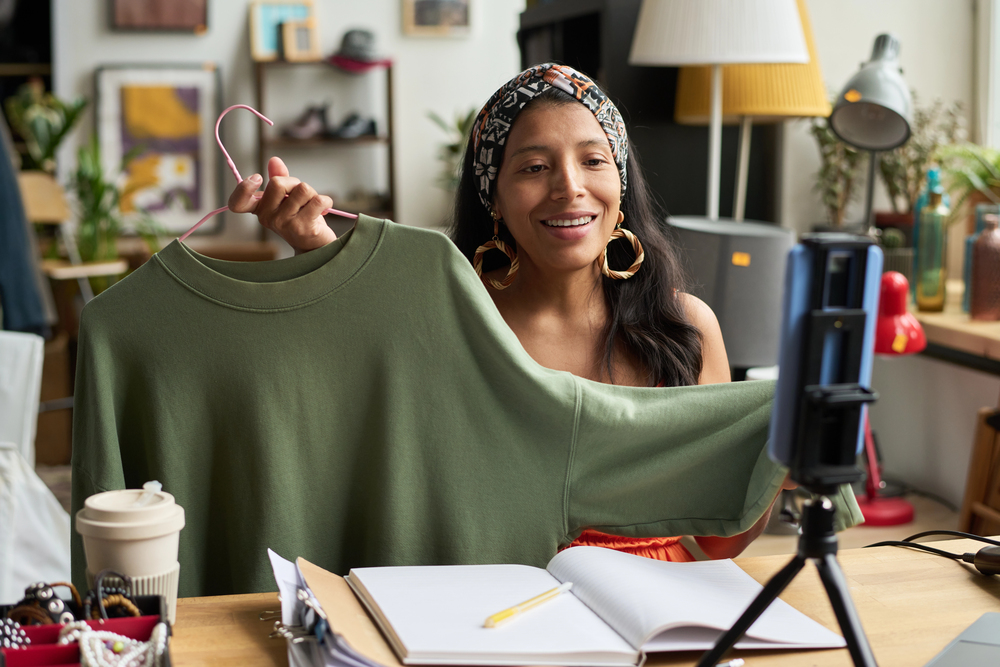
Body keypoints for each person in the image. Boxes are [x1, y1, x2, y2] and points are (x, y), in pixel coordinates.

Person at [228, 63, 788, 562]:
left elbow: (719, 542)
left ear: (620, 182)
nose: (570, 188)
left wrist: (775, 465)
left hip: (661, 615)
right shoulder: (448, 324)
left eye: (593, 160)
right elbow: (352, 416)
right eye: (534, 167)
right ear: (492, 195)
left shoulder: (685, 327)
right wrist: (318, 250)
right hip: (501, 613)